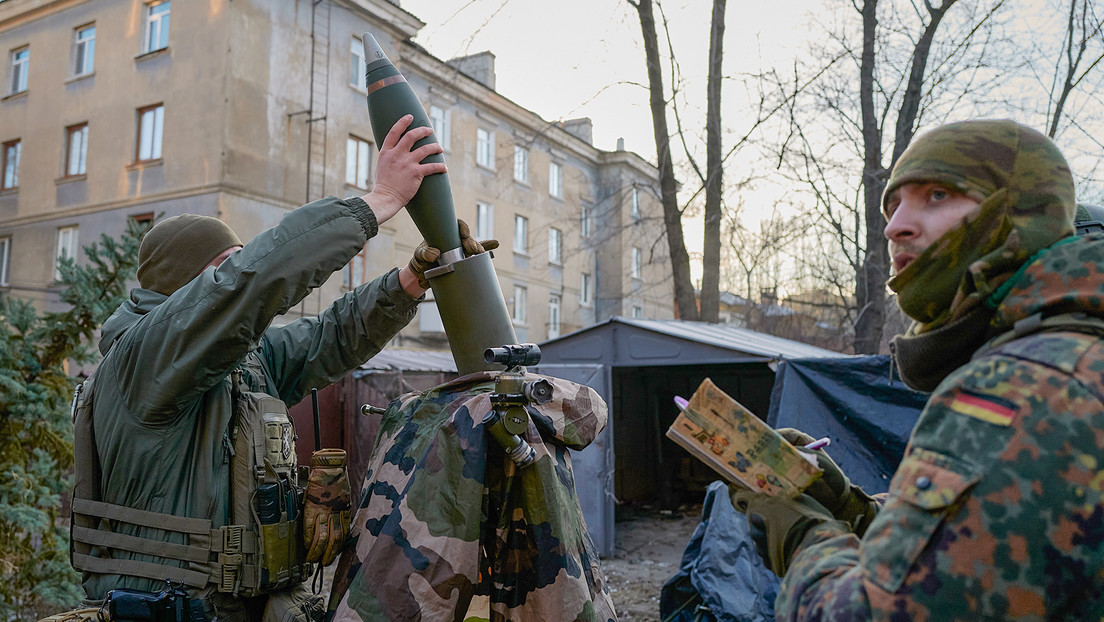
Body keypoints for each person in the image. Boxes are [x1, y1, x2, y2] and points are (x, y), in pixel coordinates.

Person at [69, 115, 458, 622]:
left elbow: (328, 338)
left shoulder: (243, 361)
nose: (237, 271)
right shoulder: (144, 360)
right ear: (191, 288)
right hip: (171, 608)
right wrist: (378, 200)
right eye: (225, 264)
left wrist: (407, 281)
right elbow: (253, 281)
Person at [731, 119, 1104, 619]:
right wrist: (845, 507)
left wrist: (798, 530)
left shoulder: (1026, 385)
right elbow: (977, 557)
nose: (895, 226)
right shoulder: (1064, 351)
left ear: (1018, 214)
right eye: (893, 205)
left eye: (937, 195)